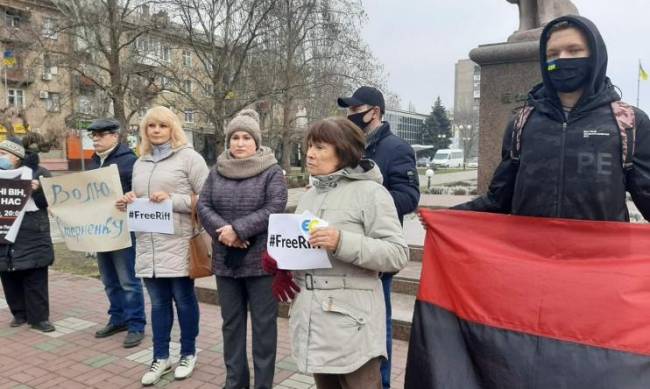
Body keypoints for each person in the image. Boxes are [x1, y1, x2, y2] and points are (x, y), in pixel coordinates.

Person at [455, 15, 650, 221]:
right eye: (553, 54)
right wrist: (446, 217)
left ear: (595, 56)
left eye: (574, 50)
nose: (562, 58)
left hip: (600, 252)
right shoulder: (522, 123)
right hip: (531, 251)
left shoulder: (629, 123)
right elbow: (499, 199)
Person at [270, 117, 409, 389]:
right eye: (309, 145)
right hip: (313, 319)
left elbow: (396, 254)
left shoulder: (371, 193)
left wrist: (341, 241)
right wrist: (281, 262)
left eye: (320, 147)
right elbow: (306, 249)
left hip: (352, 323)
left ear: (344, 151)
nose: (310, 153)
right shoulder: (310, 195)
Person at [116, 106, 209, 386]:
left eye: (162, 126)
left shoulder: (190, 158)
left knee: (183, 301)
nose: (156, 131)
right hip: (148, 246)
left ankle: (188, 353)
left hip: (179, 244)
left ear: (173, 129)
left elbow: (208, 199)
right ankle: (160, 356)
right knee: (157, 304)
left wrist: (173, 199)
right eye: (151, 126)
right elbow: (142, 203)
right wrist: (127, 201)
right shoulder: (140, 162)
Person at [197, 109, 288, 389]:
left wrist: (239, 230)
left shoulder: (271, 172)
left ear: (256, 142)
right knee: (231, 325)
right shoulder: (217, 171)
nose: (239, 143)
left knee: (263, 328)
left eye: (246, 137)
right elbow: (203, 205)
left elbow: (275, 206)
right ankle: (235, 382)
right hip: (226, 262)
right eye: (234, 137)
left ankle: (263, 385)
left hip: (261, 263)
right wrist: (226, 233)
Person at [337, 86, 420, 388]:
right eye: (348, 111)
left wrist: (367, 203)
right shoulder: (346, 146)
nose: (350, 116)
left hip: (376, 253)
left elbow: (409, 197)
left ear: (375, 112)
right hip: (344, 249)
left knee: (376, 326)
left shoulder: (396, 148)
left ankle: (380, 383)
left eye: (356, 110)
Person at [87, 118, 146, 348]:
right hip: (101, 230)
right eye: (93, 135)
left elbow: (139, 193)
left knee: (128, 280)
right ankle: (118, 318)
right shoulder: (94, 162)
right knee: (109, 279)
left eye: (100, 135)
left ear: (115, 136)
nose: (95, 139)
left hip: (123, 230)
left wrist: (129, 198)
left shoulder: (130, 161)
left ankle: (136, 324)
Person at [0, 136, 55, 332]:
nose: (0, 157)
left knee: (35, 276)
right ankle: (19, 313)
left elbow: (53, 199)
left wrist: (38, 190)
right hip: (4, 233)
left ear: (16, 156)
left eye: (3, 154)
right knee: (8, 274)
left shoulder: (39, 173)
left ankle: (39, 318)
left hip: (32, 233)